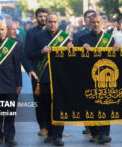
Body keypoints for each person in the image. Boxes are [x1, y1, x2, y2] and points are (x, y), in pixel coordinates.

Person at [72, 14, 120, 144]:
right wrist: (79, 49)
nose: (96, 24)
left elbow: (114, 59)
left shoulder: (109, 39)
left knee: (105, 104)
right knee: (90, 106)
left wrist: (117, 51)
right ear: (89, 23)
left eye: (98, 22)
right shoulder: (82, 38)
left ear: (102, 23)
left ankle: (104, 134)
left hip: (104, 78)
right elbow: (71, 55)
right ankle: (94, 133)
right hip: (87, 77)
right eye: (93, 22)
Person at [29, 13, 70, 146]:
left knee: (59, 107)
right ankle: (51, 133)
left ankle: (58, 136)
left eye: (54, 22)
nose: (52, 24)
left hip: (60, 78)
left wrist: (71, 48)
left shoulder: (65, 38)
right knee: (46, 108)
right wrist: (41, 52)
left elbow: (71, 58)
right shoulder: (38, 37)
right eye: (50, 22)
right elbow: (30, 54)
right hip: (44, 78)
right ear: (45, 23)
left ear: (58, 23)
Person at [24, 8, 49, 136]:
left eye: (45, 16)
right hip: (37, 72)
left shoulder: (57, 33)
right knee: (39, 101)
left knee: (53, 101)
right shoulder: (31, 33)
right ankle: (43, 127)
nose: (43, 19)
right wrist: (30, 70)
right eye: (40, 16)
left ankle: (54, 128)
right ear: (36, 18)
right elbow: (27, 54)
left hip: (53, 74)